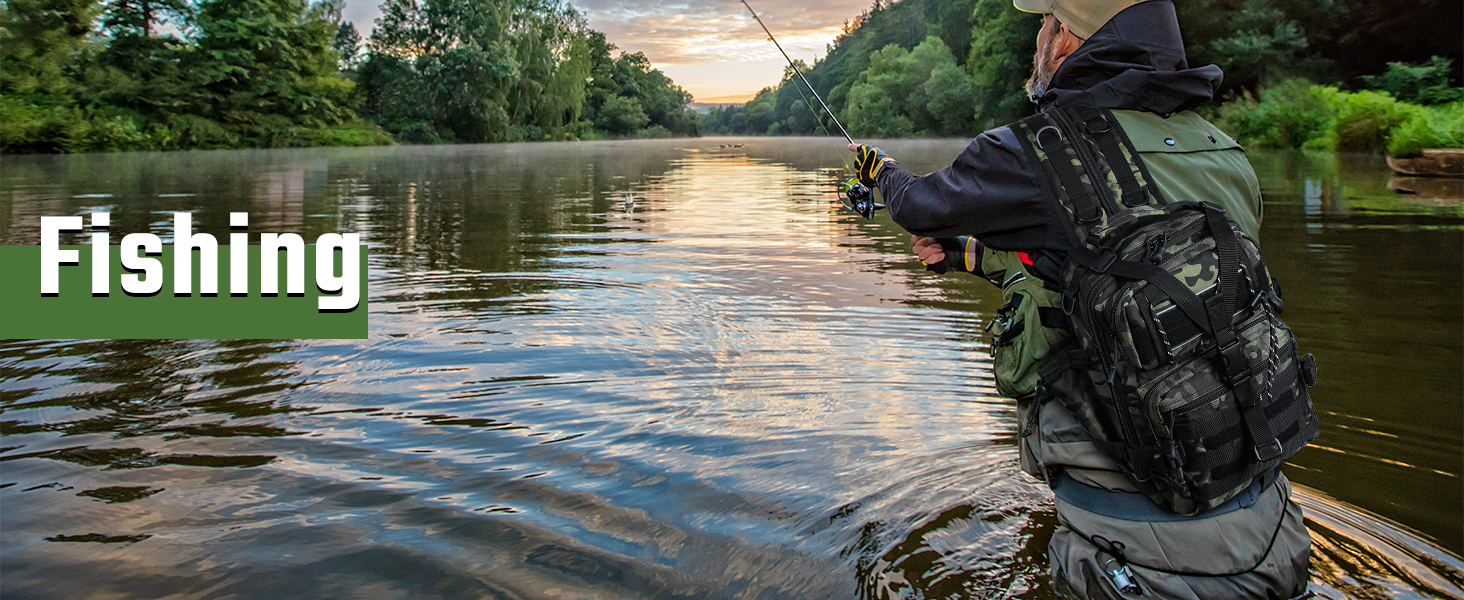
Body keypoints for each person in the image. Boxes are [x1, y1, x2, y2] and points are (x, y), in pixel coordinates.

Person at [847, 1, 1312, 598]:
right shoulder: (1222, 150)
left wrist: (878, 170)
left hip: (1137, 563)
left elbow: (917, 205)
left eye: (1044, 24)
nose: (1038, 40)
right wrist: (967, 254)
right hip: (1276, 529)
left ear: (1066, 39)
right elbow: (1133, 272)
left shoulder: (1038, 148)